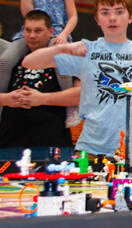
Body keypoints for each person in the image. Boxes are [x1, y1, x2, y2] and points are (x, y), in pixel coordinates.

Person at [22, 0, 132, 157]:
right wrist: (61, 48)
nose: (112, 18)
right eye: (105, 12)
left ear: (131, 17)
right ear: (97, 19)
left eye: (119, 12)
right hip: (90, 150)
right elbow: (30, 62)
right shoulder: (86, 50)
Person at [0, 10, 80, 161]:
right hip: (8, 144)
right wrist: (7, 99)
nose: (32, 36)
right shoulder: (11, 59)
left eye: (38, 31)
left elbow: (80, 95)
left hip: (52, 145)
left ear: (50, 32)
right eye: (28, 30)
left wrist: (42, 98)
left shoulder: (66, 58)